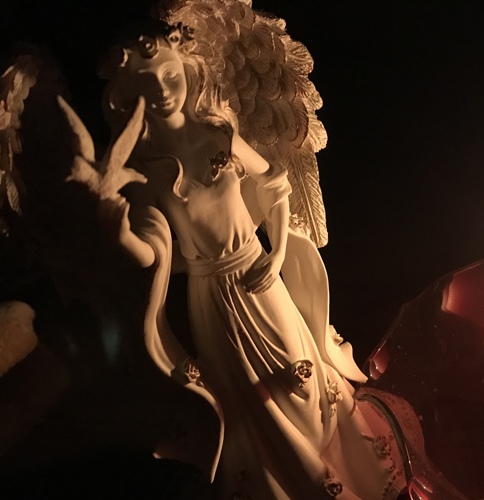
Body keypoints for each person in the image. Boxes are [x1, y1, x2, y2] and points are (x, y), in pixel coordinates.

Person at [100, 24, 403, 500]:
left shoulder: (217, 133)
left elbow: (274, 182)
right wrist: (118, 231)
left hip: (258, 272)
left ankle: (351, 466)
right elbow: (154, 254)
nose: (162, 91)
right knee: (255, 400)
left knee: (302, 382)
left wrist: (277, 252)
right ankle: (298, 477)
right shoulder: (145, 171)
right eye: (146, 83)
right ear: (127, 96)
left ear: (187, 72)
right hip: (213, 298)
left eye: (170, 76)